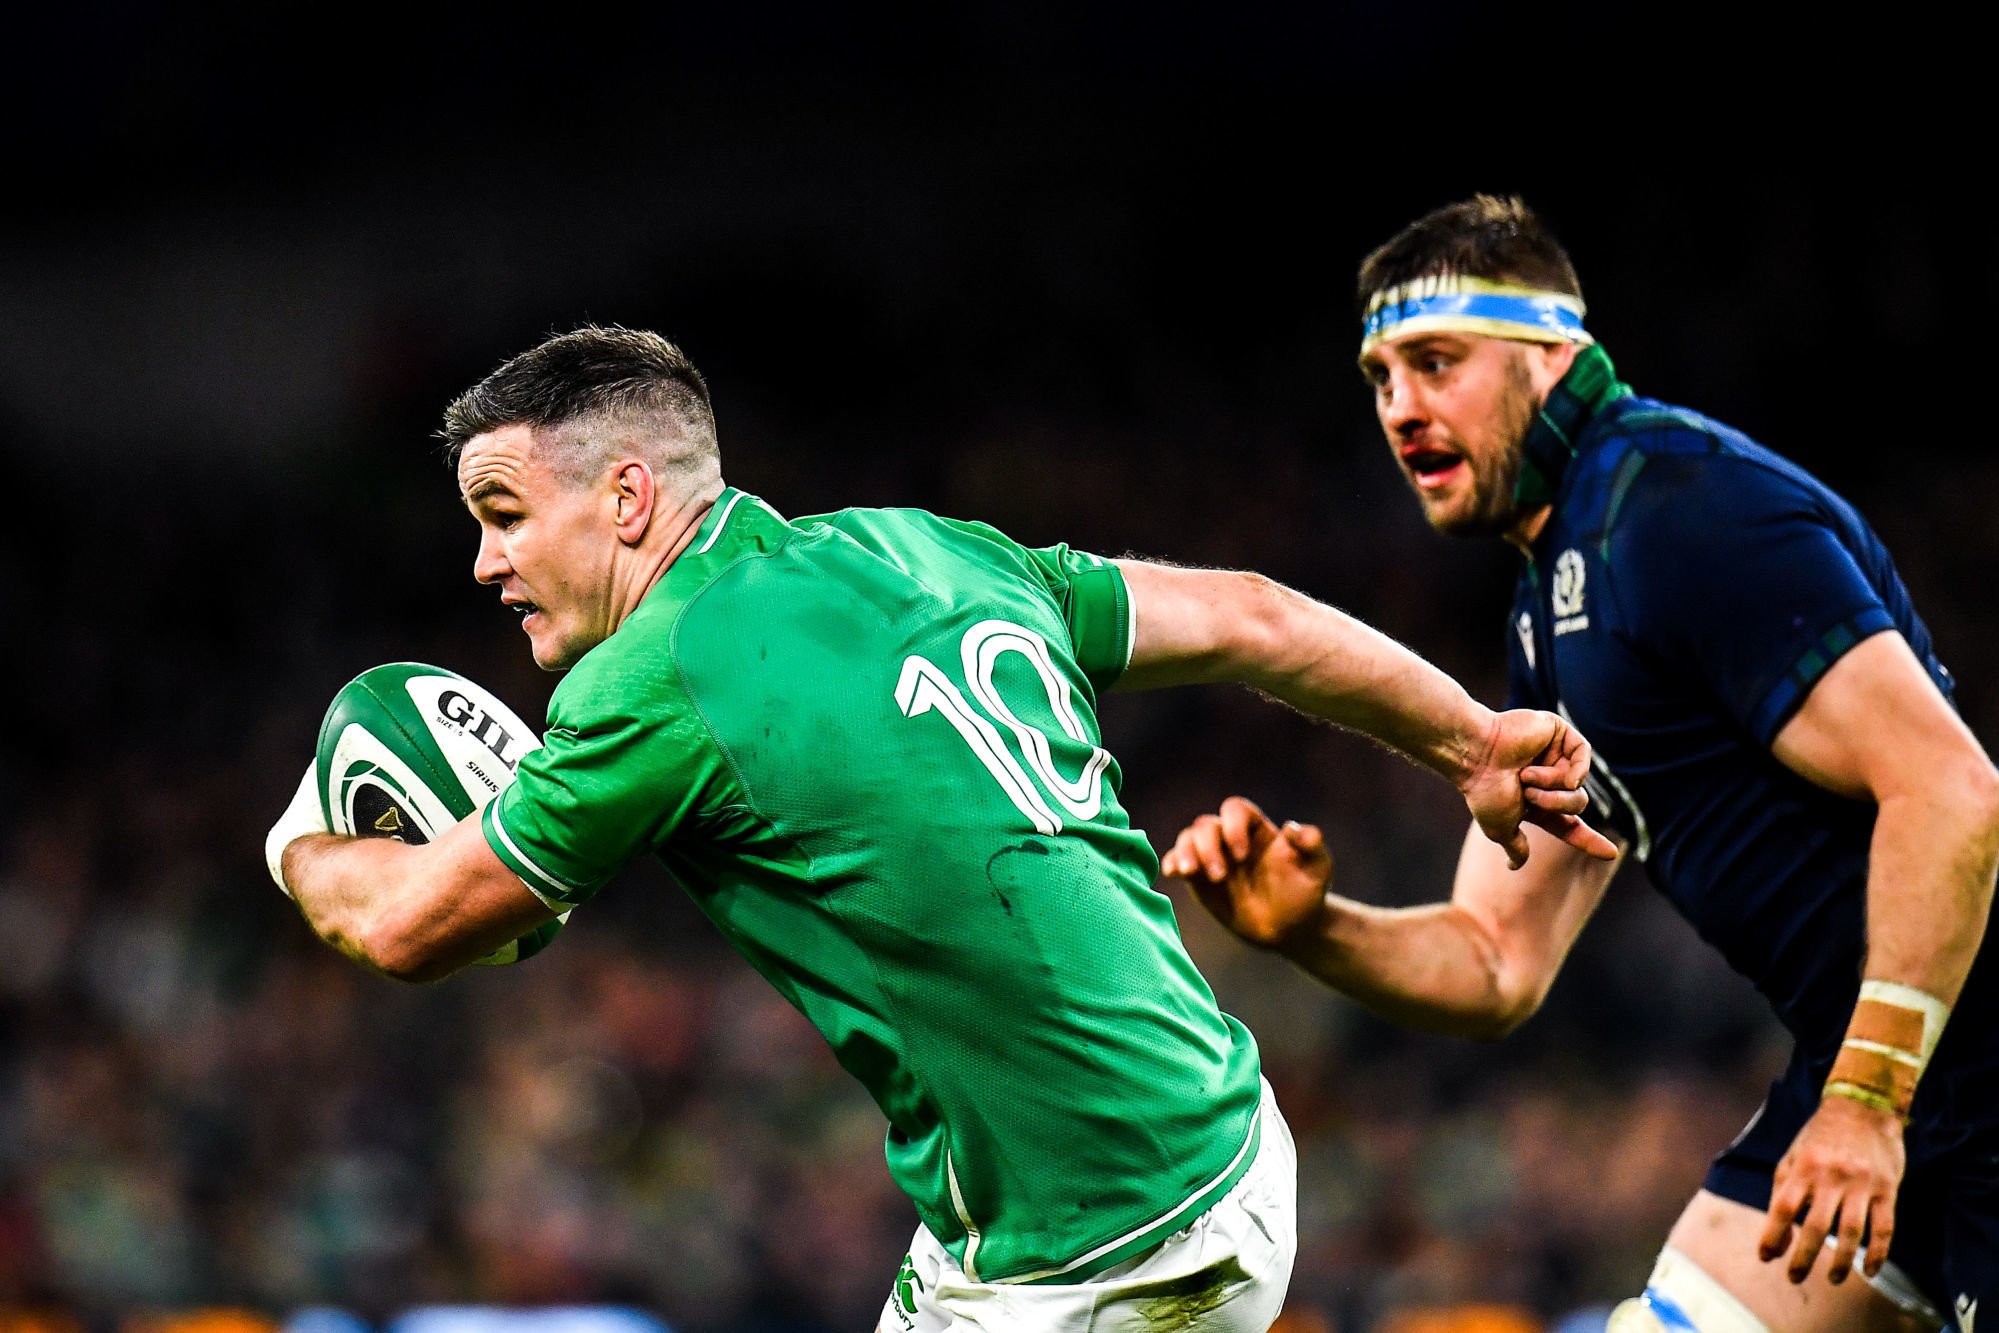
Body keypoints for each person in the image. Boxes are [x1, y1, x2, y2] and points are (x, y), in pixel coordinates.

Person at [262, 324, 1611, 1333]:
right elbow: (1254, 616)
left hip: (1098, 1258)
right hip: (1222, 1134)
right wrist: (1469, 739)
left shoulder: (656, 678)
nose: (485, 561)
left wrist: (302, 840)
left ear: (624, 500)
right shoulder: (928, 547)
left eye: (505, 516)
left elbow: (407, 925)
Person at [1162, 195, 1999, 1331]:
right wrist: (1311, 927)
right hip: (1887, 1071)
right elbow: (1493, 960)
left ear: (1553, 354)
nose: (1400, 407)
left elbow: (1949, 788)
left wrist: (1864, 1099)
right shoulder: (1553, 607)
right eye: (1380, 377)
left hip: (1929, 1067)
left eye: (1436, 362)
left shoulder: (1680, 509)